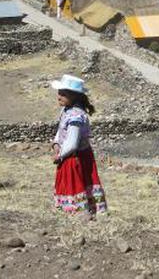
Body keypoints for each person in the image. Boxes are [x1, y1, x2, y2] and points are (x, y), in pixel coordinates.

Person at [52, 74, 107, 216]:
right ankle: (69, 210)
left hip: (75, 157)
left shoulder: (76, 116)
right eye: (59, 93)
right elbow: (60, 130)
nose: (59, 96)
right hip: (69, 154)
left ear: (74, 97)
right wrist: (56, 143)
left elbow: (72, 142)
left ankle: (80, 213)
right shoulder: (66, 111)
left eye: (63, 94)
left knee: (76, 183)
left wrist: (61, 155)